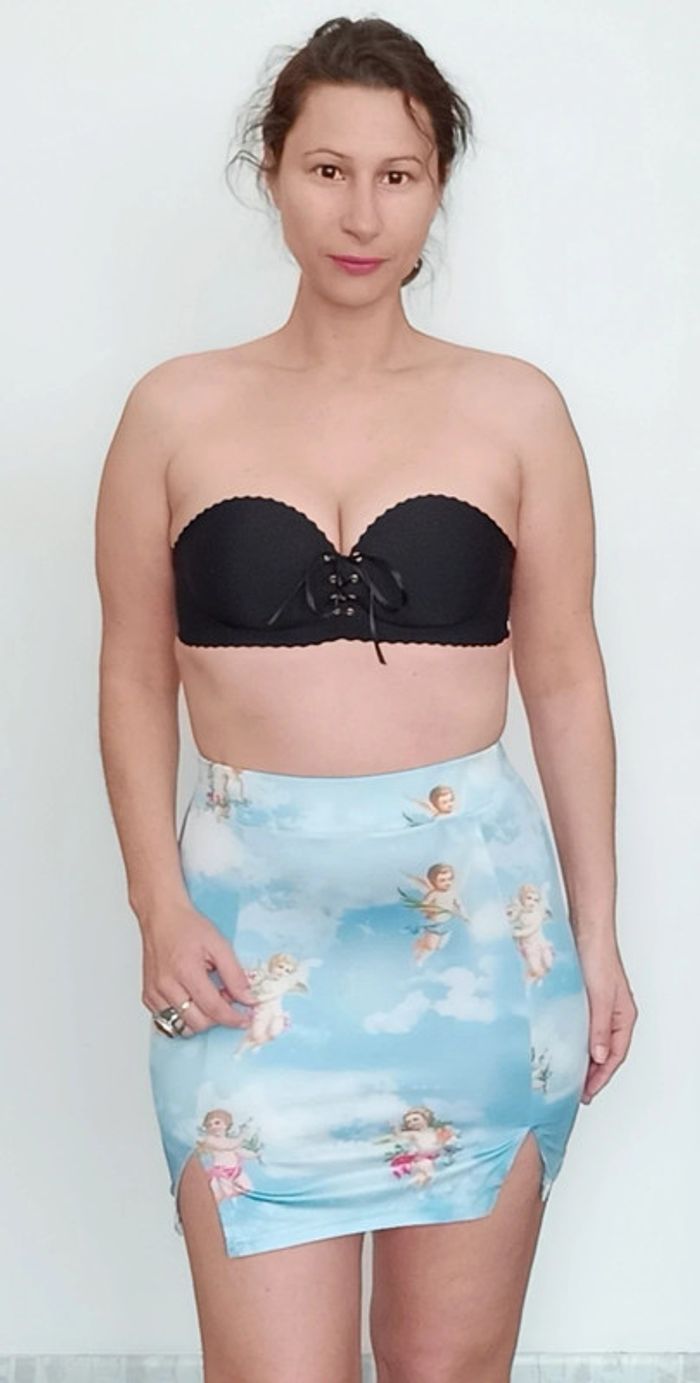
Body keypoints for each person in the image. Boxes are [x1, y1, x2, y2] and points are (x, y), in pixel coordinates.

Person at [94, 16, 637, 1383]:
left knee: (447, 1371)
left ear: (437, 184)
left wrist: (599, 936)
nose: (361, 213)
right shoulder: (174, 411)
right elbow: (132, 670)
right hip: (242, 957)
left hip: (484, 951)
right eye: (327, 170)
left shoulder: (515, 410)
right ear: (272, 171)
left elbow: (564, 675)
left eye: (398, 175)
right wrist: (157, 904)